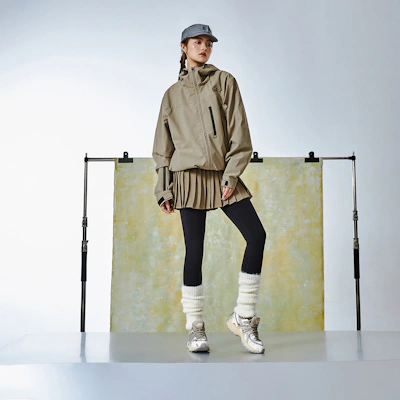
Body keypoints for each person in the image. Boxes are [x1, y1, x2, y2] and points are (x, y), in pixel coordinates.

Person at [152, 23, 266, 354]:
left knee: (256, 236)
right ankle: (195, 327)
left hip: (220, 174)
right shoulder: (171, 95)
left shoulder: (224, 81)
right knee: (194, 251)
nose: (204, 47)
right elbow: (163, 147)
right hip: (186, 177)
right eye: (197, 42)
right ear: (184, 47)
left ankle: (243, 316)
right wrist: (164, 189)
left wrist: (230, 176)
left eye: (208, 43)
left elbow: (240, 133)